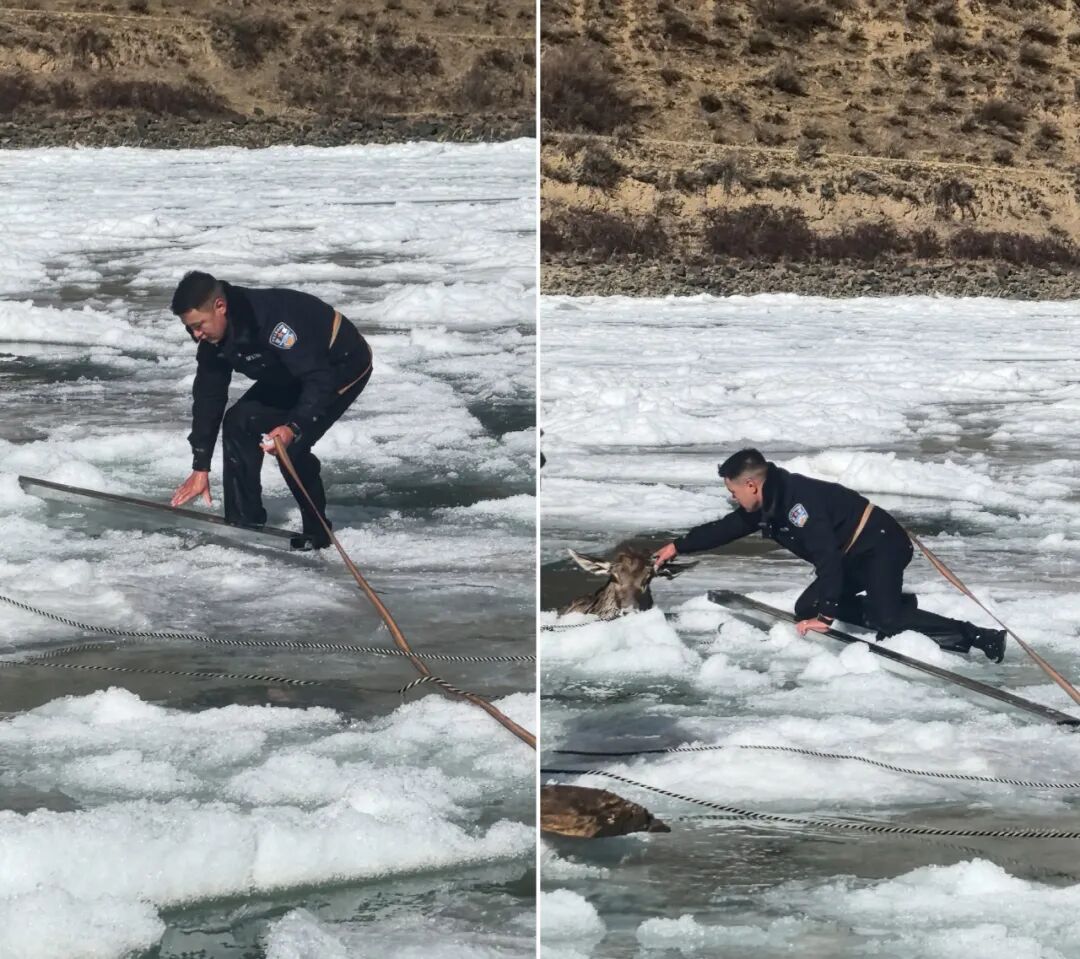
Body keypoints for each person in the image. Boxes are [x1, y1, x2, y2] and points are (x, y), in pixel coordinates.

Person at [652, 449, 1006, 663]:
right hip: (852, 554)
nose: (732, 498)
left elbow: (828, 561)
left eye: (732, 491)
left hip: (880, 546)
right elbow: (728, 527)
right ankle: (894, 604)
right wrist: (678, 545)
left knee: (884, 620)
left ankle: (977, 636)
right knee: (806, 608)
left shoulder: (798, 504)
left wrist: (827, 616)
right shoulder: (771, 501)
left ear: (751, 485)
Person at [168, 271, 372, 550]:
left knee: (291, 445)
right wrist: (200, 465)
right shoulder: (213, 338)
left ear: (220, 306)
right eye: (189, 328)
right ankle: (244, 522)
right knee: (239, 421)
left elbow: (318, 379)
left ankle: (318, 532)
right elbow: (208, 397)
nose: (196, 334)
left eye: (199, 325)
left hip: (339, 366)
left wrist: (294, 426)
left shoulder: (273, 323)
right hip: (289, 372)